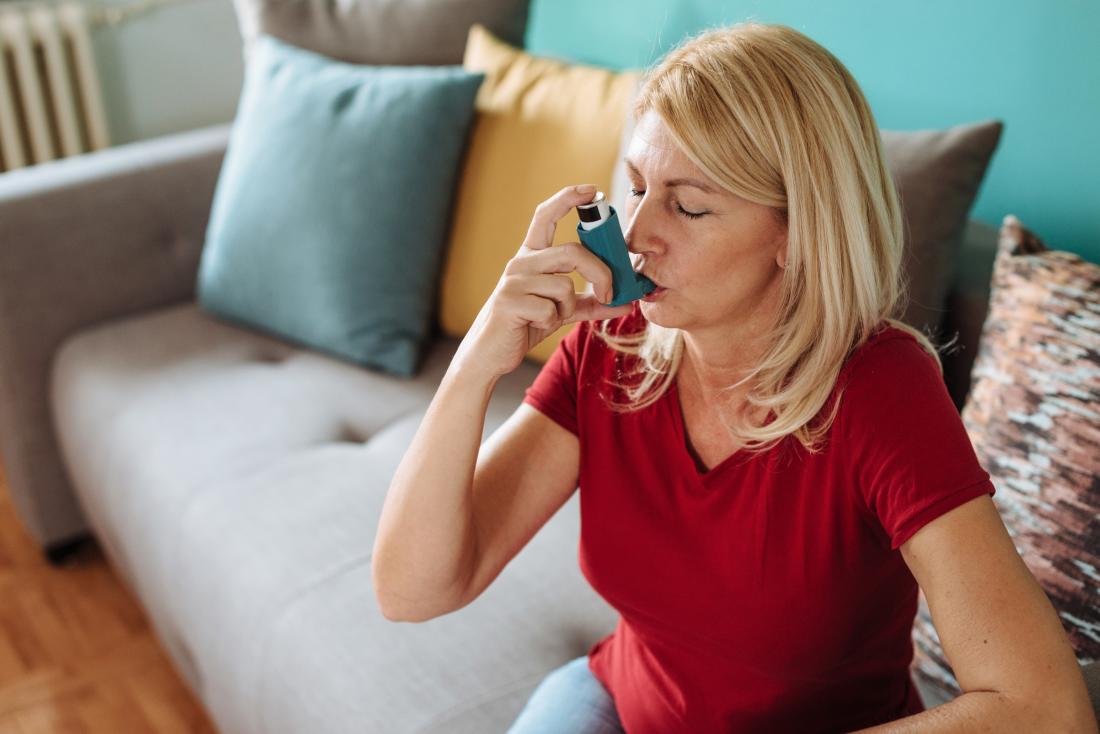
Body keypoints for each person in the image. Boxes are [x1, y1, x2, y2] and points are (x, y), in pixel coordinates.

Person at [371, 21, 1097, 734]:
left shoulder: (881, 389)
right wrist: (477, 362)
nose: (636, 235)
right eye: (637, 188)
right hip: (619, 700)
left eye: (689, 205)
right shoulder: (613, 347)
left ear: (796, 232)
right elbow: (414, 589)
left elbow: (1044, 710)